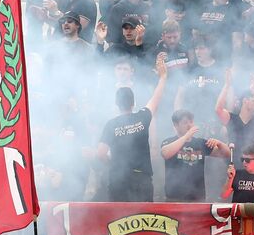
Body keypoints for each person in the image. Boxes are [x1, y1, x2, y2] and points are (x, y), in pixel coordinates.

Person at [96, 59, 167, 202]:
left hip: (118, 179)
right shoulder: (142, 117)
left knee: (117, 219)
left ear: (116, 104)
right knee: (143, 218)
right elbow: (155, 99)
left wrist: (112, 163)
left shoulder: (111, 124)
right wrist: (163, 77)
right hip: (141, 179)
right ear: (133, 103)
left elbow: (100, 153)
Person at [160, 109, 229, 202]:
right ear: (176, 125)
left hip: (198, 197)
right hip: (174, 198)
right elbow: (165, 153)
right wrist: (186, 136)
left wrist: (219, 143)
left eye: (191, 122)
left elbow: (227, 154)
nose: (189, 125)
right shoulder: (169, 141)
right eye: (185, 122)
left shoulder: (200, 142)